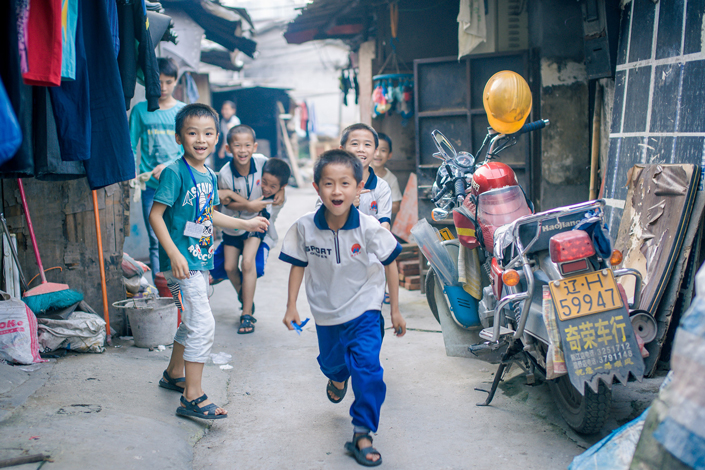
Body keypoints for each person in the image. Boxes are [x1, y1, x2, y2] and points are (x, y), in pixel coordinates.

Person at [280, 149, 406, 466]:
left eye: (345, 183)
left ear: (359, 187)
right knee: (333, 364)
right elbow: (297, 265)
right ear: (316, 187)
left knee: (368, 369)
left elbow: (391, 262)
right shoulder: (304, 227)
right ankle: (337, 378)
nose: (337, 191)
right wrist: (291, 306)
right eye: (329, 184)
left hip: (366, 308)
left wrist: (394, 309)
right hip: (326, 313)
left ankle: (362, 433)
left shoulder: (370, 227)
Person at [149, 103, 269, 420]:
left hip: (199, 260)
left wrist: (247, 223)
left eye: (207, 133)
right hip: (181, 263)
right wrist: (174, 253)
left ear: (217, 139)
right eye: (192, 133)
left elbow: (210, 214)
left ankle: (174, 373)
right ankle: (192, 394)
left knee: (192, 321)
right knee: (203, 324)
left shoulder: (210, 176)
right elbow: (155, 215)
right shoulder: (175, 172)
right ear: (179, 137)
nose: (200, 139)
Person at [217, 125, 285, 334]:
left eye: (248, 145)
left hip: (258, 221)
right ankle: (244, 296)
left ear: (254, 146)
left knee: (247, 263)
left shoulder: (263, 162)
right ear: (228, 148)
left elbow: (279, 176)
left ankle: (247, 314)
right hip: (233, 224)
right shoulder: (225, 173)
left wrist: (281, 189)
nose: (243, 150)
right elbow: (226, 204)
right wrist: (247, 205)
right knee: (229, 267)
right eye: (237, 145)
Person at [130, 57, 185, 275]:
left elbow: (190, 150)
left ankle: (182, 287)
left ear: (175, 82)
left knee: (180, 235)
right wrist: (131, 175)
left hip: (179, 185)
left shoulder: (183, 112)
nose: (163, 87)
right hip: (151, 187)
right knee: (155, 238)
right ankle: (163, 290)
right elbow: (130, 145)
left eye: (168, 82)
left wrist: (170, 166)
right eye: (158, 81)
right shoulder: (140, 110)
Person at [339, 123, 393, 231]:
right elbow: (320, 221)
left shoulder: (381, 187)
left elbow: (384, 225)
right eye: (354, 144)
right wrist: (345, 206)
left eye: (367, 145)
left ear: (375, 151)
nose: (361, 149)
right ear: (342, 150)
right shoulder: (331, 185)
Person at [371, 133, 402, 217]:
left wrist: (376, 207)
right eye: (375, 150)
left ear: (389, 155)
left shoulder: (391, 179)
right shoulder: (360, 174)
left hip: (381, 224)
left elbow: (396, 206)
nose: (378, 154)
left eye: (383, 150)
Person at [214, 100, 240, 171]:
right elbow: (225, 137)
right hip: (228, 152)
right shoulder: (223, 121)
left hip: (236, 152)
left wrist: (232, 128)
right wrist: (222, 150)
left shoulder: (235, 121)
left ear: (233, 110)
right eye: (223, 109)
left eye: (227, 109)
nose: (225, 111)